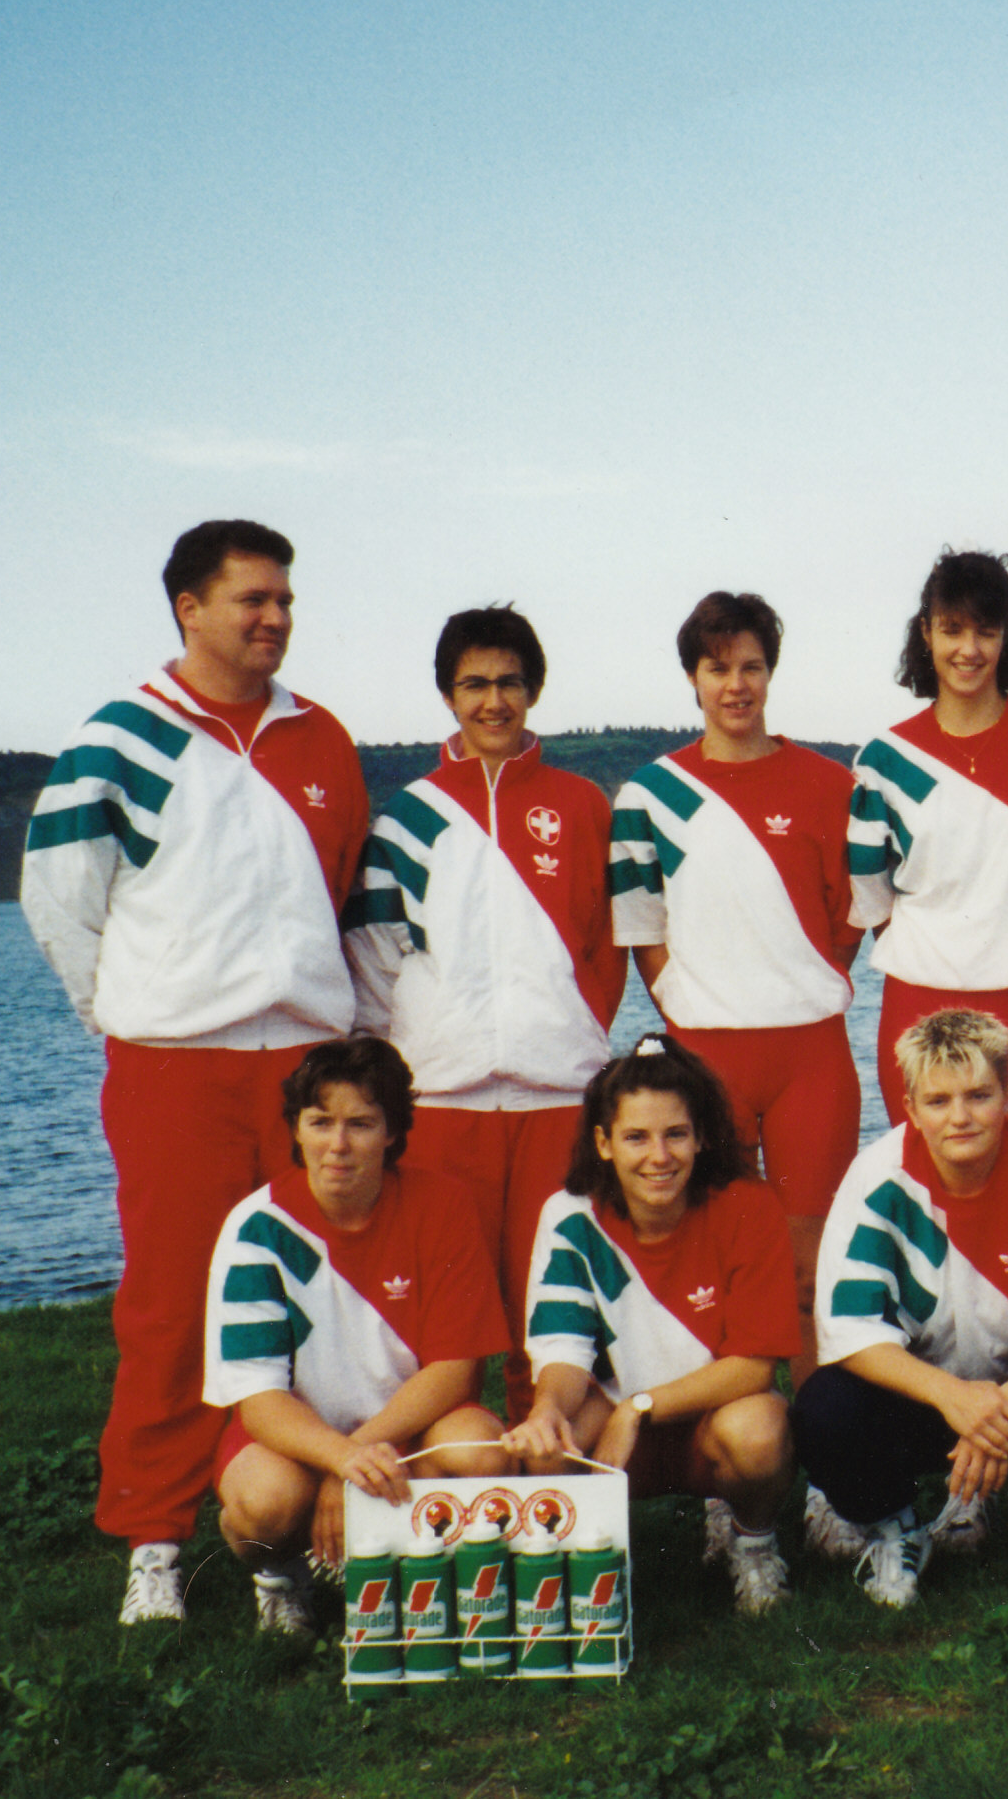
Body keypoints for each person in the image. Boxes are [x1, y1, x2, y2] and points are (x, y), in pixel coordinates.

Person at [22, 519, 371, 1623]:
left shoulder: (322, 739)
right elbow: (59, 899)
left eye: (284, 602)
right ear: (190, 608)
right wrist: (122, 1017)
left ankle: (299, 1531)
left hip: (307, 1068)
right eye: (250, 601)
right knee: (174, 1308)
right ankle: (154, 1540)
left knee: (319, 1302)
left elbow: (349, 900)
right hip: (177, 1068)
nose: (273, 620)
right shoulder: (121, 736)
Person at [346, 606, 622, 1414]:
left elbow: (604, 949)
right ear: (447, 695)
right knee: (450, 1318)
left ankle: (557, 1495)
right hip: (444, 1099)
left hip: (558, 1094)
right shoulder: (408, 815)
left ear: (532, 689)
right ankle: (452, 1486)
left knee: (556, 1316)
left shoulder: (579, 804)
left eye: (508, 683)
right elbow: (375, 957)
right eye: (473, 685)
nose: (492, 701)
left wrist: (567, 1033)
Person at [796, 1009, 1008, 1608]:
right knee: (824, 1412)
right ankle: (896, 1528)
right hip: (923, 1396)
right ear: (909, 1108)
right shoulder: (874, 1179)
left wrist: (996, 1412)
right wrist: (954, 1400)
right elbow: (851, 1334)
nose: (959, 1117)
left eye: (979, 1095)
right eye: (938, 1101)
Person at [612, 591, 863, 1382]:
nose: (736, 684)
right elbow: (641, 929)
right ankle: (734, 1459)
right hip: (706, 1054)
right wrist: (688, 1006)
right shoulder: (647, 797)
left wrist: (802, 982)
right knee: (717, 1261)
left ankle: (826, 1469)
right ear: (693, 676)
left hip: (809, 1057)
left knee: (810, 1265)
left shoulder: (829, 785)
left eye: (751, 666)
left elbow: (848, 918)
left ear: (770, 674)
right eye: (718, 667)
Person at [202, 1038, 511, 1634]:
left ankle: (427, 1564)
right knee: (266, 1503)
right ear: (296, 1129)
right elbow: (258, 1400)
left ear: (393, 1131)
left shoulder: (443, 1204)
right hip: (295, 1440)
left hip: (409, 1427)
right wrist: (339, 1461)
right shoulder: (257, 1227)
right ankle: (280, 1576)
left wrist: (353, 1463)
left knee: (482, 1452)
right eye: (320, 1123)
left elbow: (456, 1368)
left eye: (361, 1124)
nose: (338, 1145)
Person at [507, 1040, 799, 1613]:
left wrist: (636, 1407)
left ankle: (754, 1542)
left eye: (676, 1134)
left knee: (761, 1431)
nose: (658, 1156)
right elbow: (563, 1352)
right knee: (546, 1447)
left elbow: (755, 1363)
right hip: (617, 1425)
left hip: (709, 1417)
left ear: (703, 1137)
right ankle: (592, 1557)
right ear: (603, 1143)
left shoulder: (746, 1205)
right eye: (636, 1137)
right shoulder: (570, 1216)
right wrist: (547, 1409)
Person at [848, 550, 1008, 1141]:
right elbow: (871, 894)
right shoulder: (884, 761)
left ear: (1007, 637)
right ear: (926, 633)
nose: (969, 648)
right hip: (922, 1006)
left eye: (987, 631)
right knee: (934, 1204)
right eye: (953, 629)